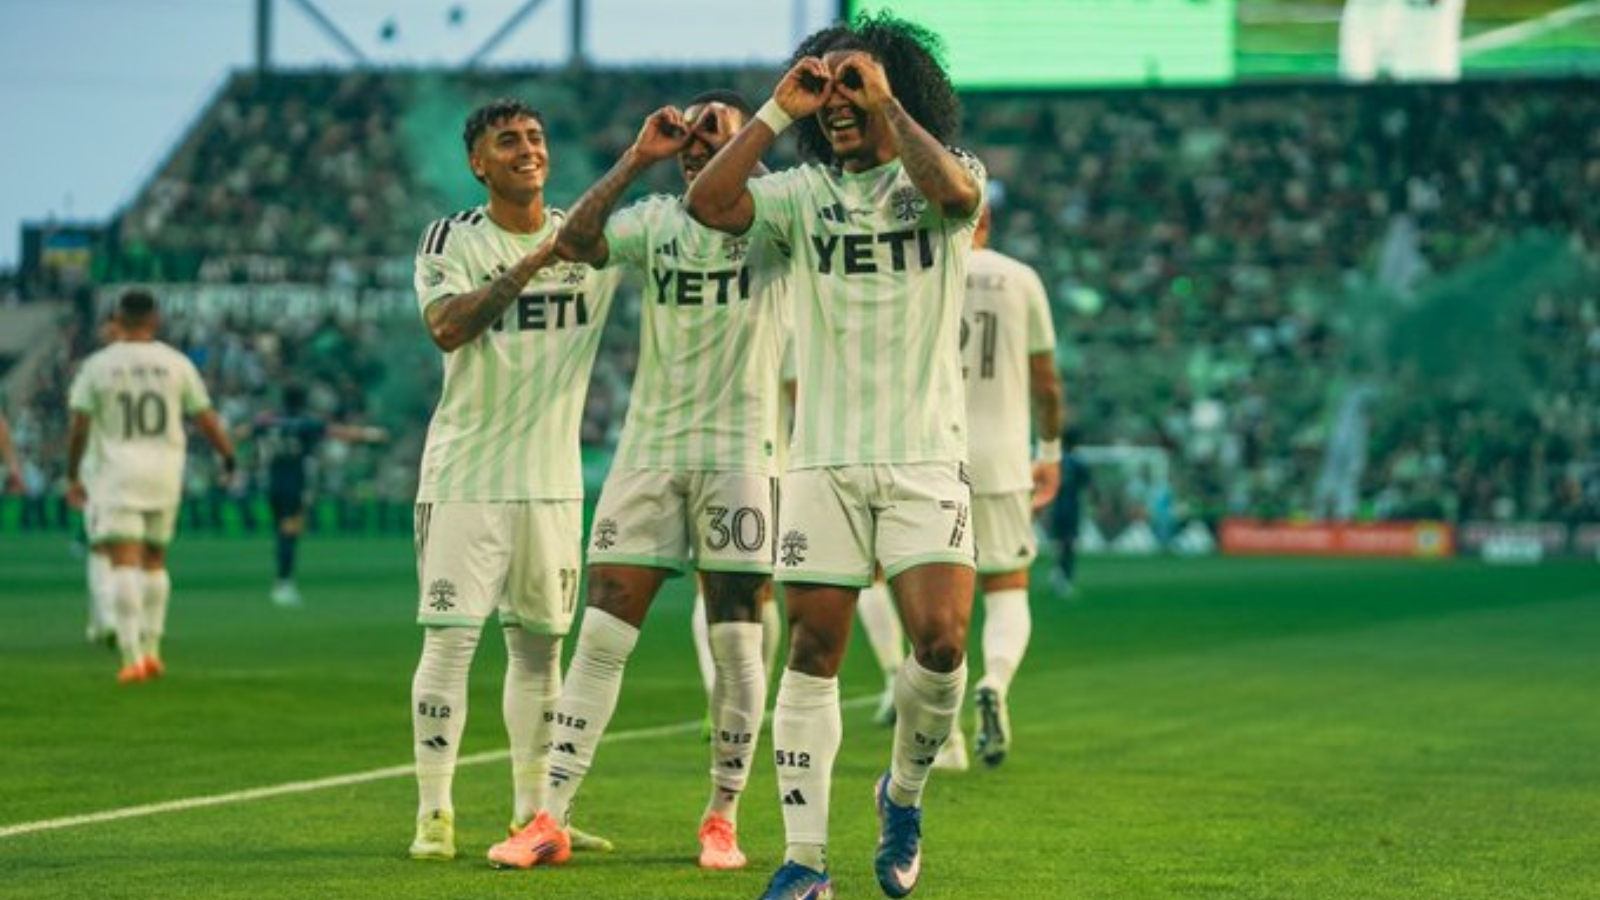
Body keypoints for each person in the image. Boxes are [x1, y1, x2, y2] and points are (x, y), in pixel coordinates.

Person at [687, 13, 985, 899]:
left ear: (899, 90)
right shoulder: (797, 195)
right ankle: (806, 861)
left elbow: (962, 204)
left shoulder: (951, 177)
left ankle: (902, 794)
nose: (839, 100)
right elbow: (708, 202)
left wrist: (887, 102)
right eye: (825, 85)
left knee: (940, 644)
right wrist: (777, 114)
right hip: (820, 460)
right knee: (813, 649)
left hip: (926, 454)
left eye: (853, 82)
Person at [487, 91, 791, 873]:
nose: (696, 148)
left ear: (753, 143)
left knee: (736, 635)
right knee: (604, 626)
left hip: (739, 456)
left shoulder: (778, 221)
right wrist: (635, 157)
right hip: (649, 453)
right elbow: (575, 242)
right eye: (688, 138)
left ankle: (722, 817)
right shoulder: (653, 218)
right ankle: (550, 816)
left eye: (714, 134)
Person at [406, 98, 621, 864]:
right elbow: (447, 327)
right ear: (479, 163)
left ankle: (536, 814)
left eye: (534, 137)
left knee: (541, 653)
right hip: (466, 475)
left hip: (552, 484)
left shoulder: (589, 241)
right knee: (452, 641)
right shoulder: (451, 239)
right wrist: (534, 260)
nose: (526, 148)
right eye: (508, 141)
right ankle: (434, 812)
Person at [64, 290, 236, 684]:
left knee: (123, 559)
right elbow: (205, 418)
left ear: (117, 320)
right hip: (164, 472)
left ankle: (132, 657)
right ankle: (154, 651)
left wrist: (72, 475)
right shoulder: (175, 363)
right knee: (155, 560)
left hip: (116, 474)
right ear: (154, 320)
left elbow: (79, 427)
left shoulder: (98, 366)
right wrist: (228, 456)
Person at [247, 382, 387, 606]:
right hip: (294, 482)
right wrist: (370, 435)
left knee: (281, 531)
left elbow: (247, 431)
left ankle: (283, 579)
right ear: (303, 401)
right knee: (289, 532)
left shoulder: (268, 421)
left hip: (272, 481)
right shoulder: (304, 423)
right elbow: (336, 432)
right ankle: (283, 583)